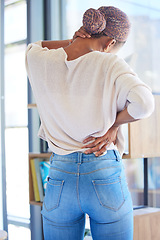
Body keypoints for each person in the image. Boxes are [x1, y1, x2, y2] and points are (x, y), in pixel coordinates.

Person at [25, 6, 154, 240]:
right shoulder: (110, 64)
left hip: (60, 176)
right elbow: (144, 104)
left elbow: (36, 45)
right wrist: (114, 124)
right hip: (103, 171)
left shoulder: (38, 59)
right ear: (110, 43)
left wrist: (75, 39)